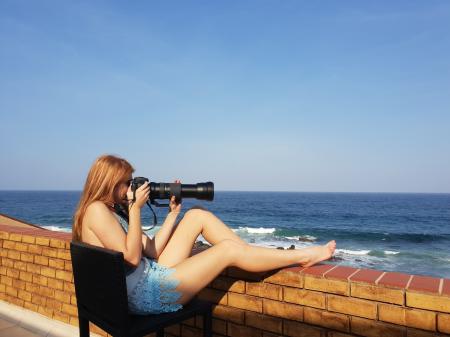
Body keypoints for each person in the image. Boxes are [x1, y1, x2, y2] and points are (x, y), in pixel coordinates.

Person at [72, 154, 336, 315]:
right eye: (126, 182)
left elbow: (150, 251)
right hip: (145, 293)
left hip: (146, 276)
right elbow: (130, 259)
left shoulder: (110, 210)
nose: (131, 187)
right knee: (227, 250)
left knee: (197, 215)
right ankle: (303, 256)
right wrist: (136, 209)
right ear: (109, 182)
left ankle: (251, 257)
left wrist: (173, 214)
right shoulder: (97, 210)